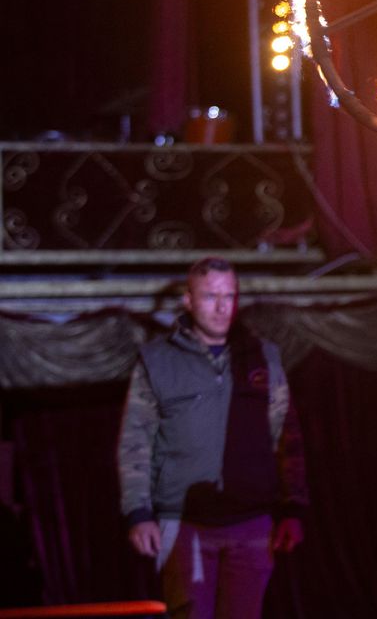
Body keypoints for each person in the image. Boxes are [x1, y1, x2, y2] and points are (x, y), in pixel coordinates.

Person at [118, 257, 307, 619]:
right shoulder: (158, 360)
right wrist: (138, 513)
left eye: (229, 296)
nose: (222, 307)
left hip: (252, 525)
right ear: (189, 300)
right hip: (185, 525)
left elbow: (287, 434)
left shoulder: (262, 357)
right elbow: (136, 439)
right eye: (210, 296)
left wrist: (293, 508)